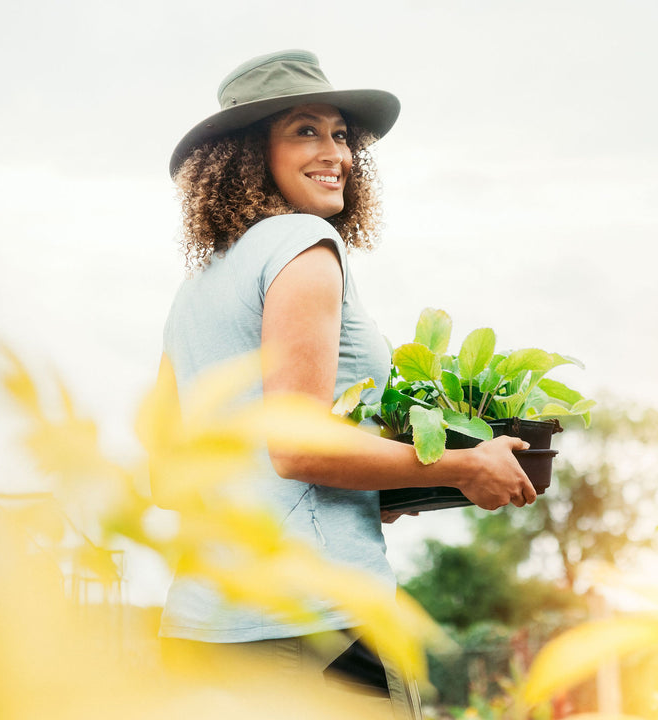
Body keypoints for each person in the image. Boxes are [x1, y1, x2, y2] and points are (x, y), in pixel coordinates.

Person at [159, 49, 536, 718]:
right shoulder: (302, 246)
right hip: (314, 625)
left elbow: (169, 475)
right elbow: (298, 449)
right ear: (249, 153)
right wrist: (462, 464)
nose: (337, 153)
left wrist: (380, 494)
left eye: (339, 133)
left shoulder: (196, 291)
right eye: (305, 130)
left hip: (201, 627)